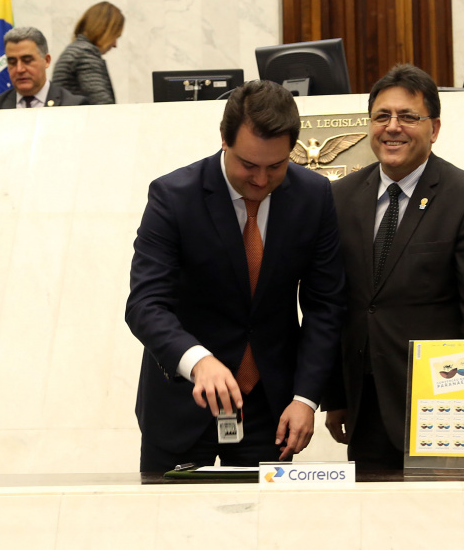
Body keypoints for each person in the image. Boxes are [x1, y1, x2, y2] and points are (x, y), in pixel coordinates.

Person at [126, 80, 345, 472]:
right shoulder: (173, 197)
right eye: (248, 165)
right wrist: (197, 361)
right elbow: (145, 304)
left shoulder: (314, 196)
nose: (261, 180)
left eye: (276, 166)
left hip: (270, 408)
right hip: (182, 402)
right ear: (224, 140)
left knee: (265, 530)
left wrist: (306, 397)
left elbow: (325, 305)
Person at [322, 64, 464, 470]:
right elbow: (338, 304)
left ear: (435, 127)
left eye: (408, 117)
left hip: (446, 407)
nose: (393, 128)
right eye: (382, 117)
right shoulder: (339, 197)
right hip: (367, 406)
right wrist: (337, 396)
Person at [0, 27, 86, 109]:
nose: (19, 69)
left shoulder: (72, 105)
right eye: (12, 62)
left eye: (27, 61)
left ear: (47, 60)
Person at [52, 1, 124, 105]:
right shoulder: (85, 53)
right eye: (115, 36)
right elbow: (101, 103)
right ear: (104, 30)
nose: (115, 44)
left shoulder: (76, 50)